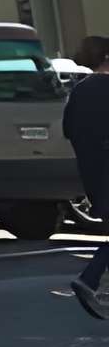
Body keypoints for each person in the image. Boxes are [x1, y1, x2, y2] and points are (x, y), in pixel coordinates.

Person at [69, 35, 109, 319]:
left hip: (95, 177)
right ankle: (90, 278)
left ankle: (92, 280)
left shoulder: (79, 92)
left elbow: (69, 131)